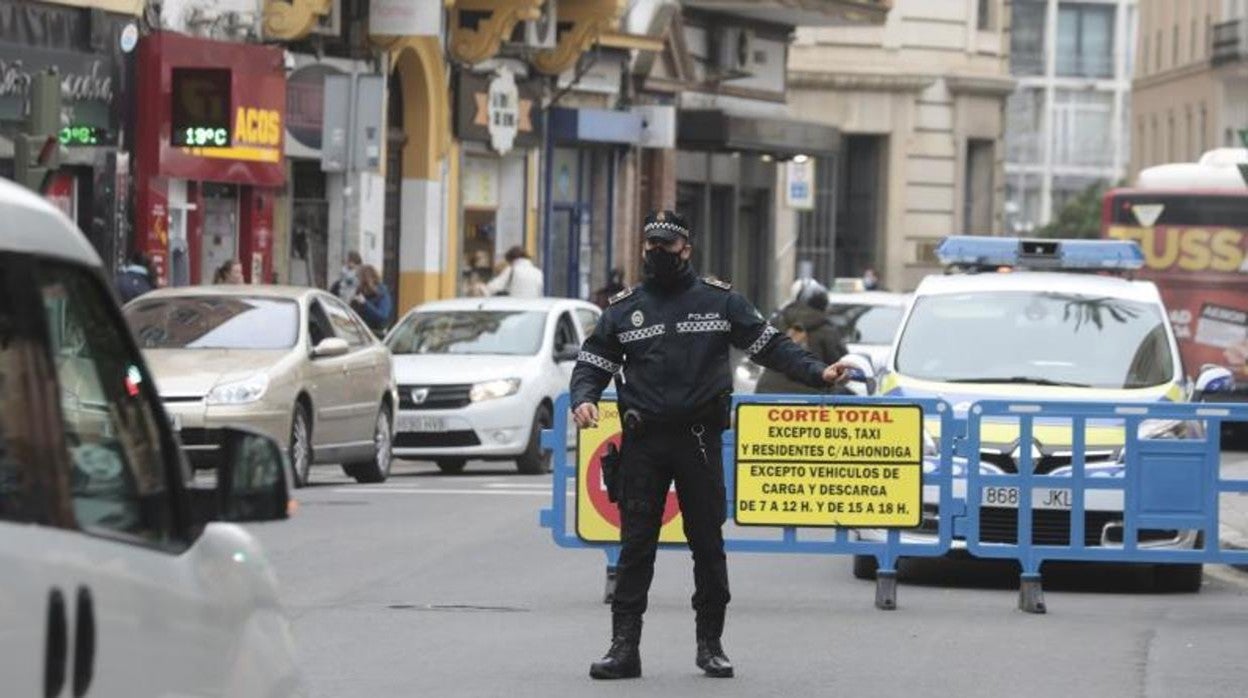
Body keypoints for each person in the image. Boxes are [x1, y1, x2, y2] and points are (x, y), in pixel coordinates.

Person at [569, 210, 854, 681]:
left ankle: (710, 645)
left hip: (698, 440)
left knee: (707, 544)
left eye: (666, 246)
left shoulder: (719, 302)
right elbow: (591, 364)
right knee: (636, 546)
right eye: (651, 246)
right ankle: (624, 648)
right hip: (643, 442)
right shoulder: (623, 308)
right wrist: (583, 399)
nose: (657, 254)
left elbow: (770, 345)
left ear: (687, 250)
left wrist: (817, 372)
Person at [755, 280, 848, 395]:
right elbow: (840, 365)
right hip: (811, 396)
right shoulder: (826, 329)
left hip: (767, 392)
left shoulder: (777, 321)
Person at [352, 264, 393, 335]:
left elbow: (382, 316)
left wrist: (365, 303)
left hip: (377, 334)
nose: (356, 281)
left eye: (358, 277)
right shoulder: (360, 292)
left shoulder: (382, 293)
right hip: (361, 334)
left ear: (365, 279)